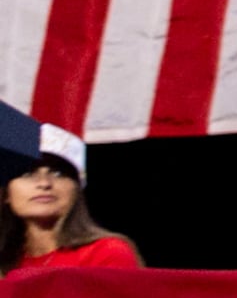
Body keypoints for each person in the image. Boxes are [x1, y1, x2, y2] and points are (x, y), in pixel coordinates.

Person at [2, 110, 137, 272]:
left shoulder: (106, 252)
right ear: (7, 192)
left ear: (77, 188)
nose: (44, 183)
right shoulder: (5, 259)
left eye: (58, 174)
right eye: (28, 173)